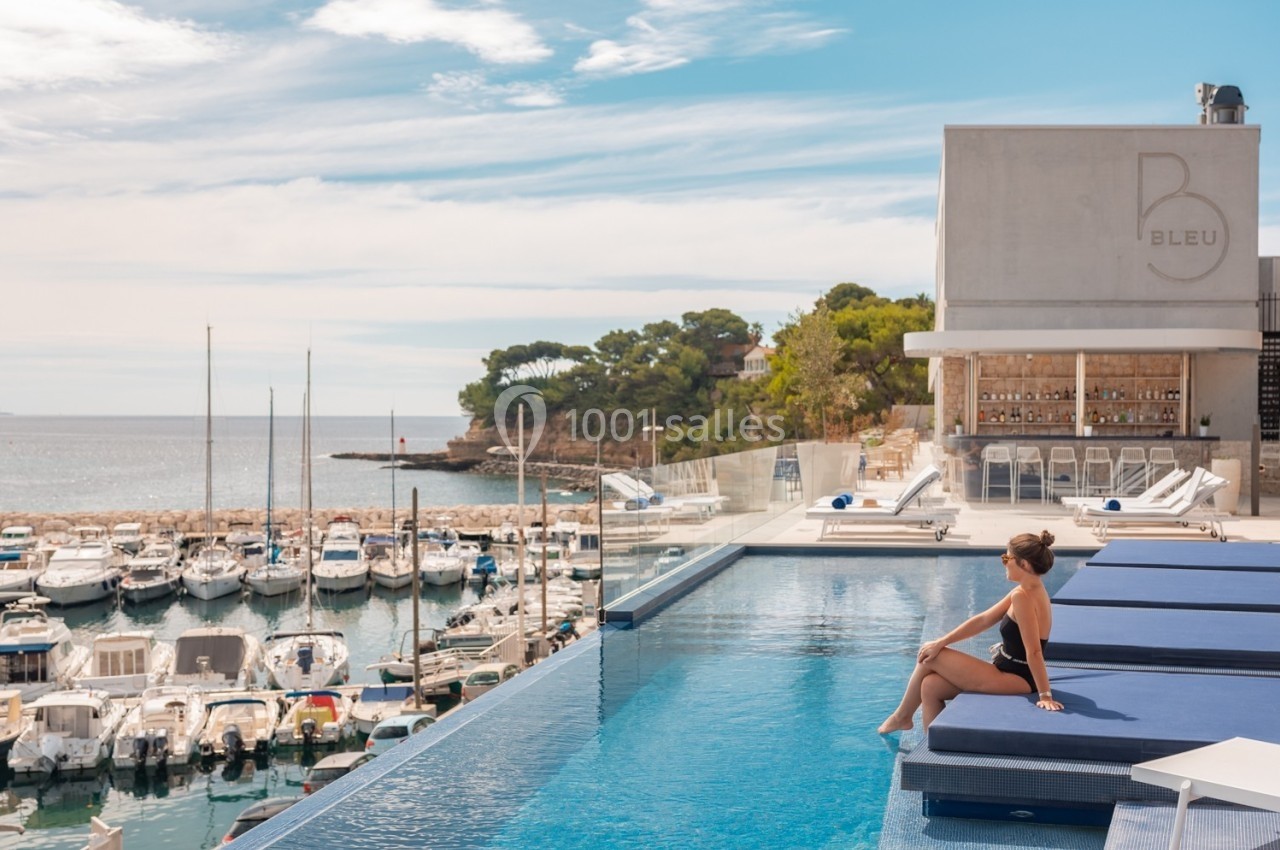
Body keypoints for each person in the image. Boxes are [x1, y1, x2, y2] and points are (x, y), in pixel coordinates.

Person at [877, 530, 1064, 734]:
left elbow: (1034, 652)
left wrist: (1045, 695)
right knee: (930, 686)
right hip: (1008, 670)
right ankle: (933, 748)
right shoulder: (1028, 589)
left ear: (1024, 564)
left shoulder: (1024, 597)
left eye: (1006, 558)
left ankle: (902, 716)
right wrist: (942, 640)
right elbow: (983, 620)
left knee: (929, 657)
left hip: (1016, 677)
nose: (1003, 562)